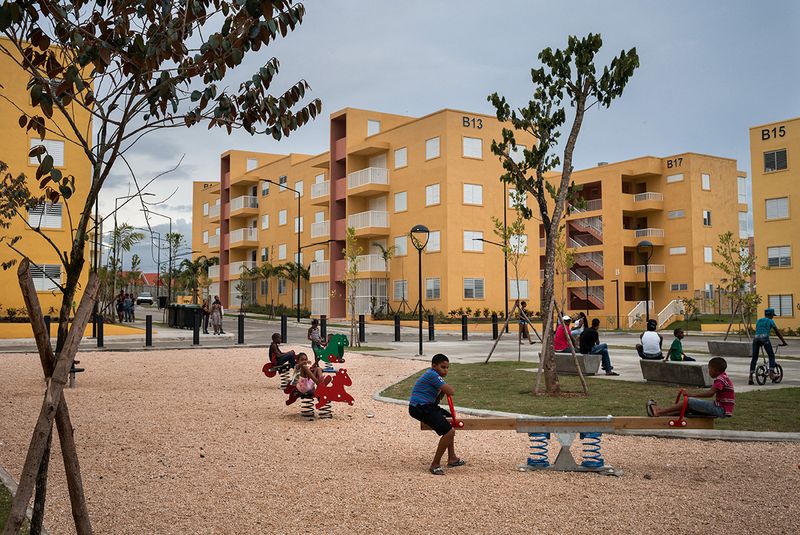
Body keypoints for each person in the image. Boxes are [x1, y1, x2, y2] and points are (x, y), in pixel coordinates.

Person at [408, 353, 464, 475]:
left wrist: (441, 391)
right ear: (434, 366)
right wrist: (444, 389)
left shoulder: (434, 375)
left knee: (450, 419)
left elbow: (437, 400)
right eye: (443, 367)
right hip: (420, 407)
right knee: (449, 431)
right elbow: (451, 391)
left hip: (427, 406)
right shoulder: (432, 375)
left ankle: (452, 457)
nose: (446, 370)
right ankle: (435, 464)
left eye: (447, 368)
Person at [647, 357, 734, 418]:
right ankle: (661, 413)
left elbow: (710, 393)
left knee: (689, 401)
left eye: (709, 369)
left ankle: (659, 412)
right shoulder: (724, 377)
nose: (709, 371)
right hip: (721, 408)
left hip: (721, 409)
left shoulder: (720, 379)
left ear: (715, 370)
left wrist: (691, 395)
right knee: (689, 407)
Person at [749, 308, 788, 385]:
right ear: (770, 315)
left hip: (756, 339)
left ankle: (750, 377)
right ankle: (771, 374)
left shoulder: (758, 321)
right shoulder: (770, 321)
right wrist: (784, 342)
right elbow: (777, 332)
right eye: (772, 315)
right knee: (771, 355)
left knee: (754, 357)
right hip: (764, 338)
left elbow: (759, 330)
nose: (773, 317)